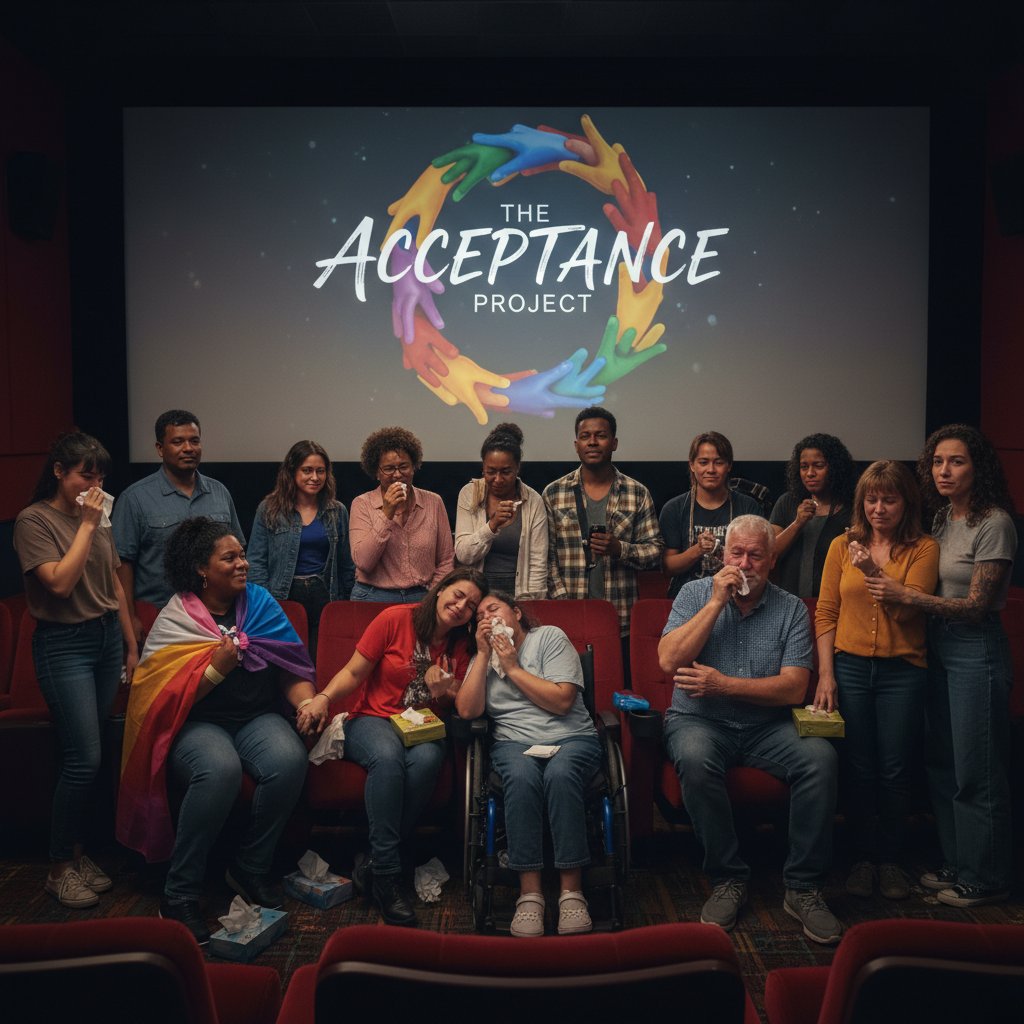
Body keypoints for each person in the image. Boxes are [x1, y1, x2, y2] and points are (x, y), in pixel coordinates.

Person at [117, 518, 319, 945]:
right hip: (196, 723)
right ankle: (180, 892)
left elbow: (289, 669)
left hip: (254, 717)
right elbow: (163, 701)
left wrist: (306, 702)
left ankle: (250, 866)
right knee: (220, 770)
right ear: (201, 570)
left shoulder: (261, 603)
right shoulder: (178, 617)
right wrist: (215, 669)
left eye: (242, 554)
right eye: (230, 558)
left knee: (288, 759)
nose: (243, 563)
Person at [658, 515, 842, 944]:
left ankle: (803, 887)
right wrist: (714, 603)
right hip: (699, 721)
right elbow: (668, 661)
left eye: (755, 555)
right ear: (723, 556)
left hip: (767, 728)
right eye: (736, 553)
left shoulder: (792, 608)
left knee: (821, 759)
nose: (744, 564)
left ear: (772, 560)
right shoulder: (693, 594)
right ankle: (728, 877)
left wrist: (722, 684)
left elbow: (794, 687)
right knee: (694, 756)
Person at [860, 425, 1017, 908]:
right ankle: (958, 863)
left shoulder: (996, 522)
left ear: (979, 467)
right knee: (942, 764)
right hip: (937, 648)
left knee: (978, 768)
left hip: (975, 647)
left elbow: (977, 605)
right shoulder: (945, 517)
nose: (945, 471)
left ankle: (986, 877)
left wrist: (909, 596)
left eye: (957, 461)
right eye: (937, 462)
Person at [303, 567, 488, 926]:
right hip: (372, 719)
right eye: (458, 594)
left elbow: (460, 706)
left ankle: (371, 861)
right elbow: (354, 672)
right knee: (388, 759)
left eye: (471, 606)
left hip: (423, 727)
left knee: (427, 761)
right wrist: (323, 697)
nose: (461, 606)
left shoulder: (462, 646)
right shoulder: (395, 619)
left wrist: (446, 690)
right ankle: (387, 876)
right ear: (440, 589)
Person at [13, 433, 139, 909]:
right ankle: (59, 866)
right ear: (59, 472)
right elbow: (61, 585)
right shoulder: (34, 521)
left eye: (101, 475)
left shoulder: (97, 516)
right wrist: (87, 524)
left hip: (106, 638)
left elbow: (111, 580)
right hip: (63, 644)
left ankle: (80, 853)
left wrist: (129, 643)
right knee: (81, 757)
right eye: (87, 474)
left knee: (98, 754)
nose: (96, 483)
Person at [813, 461, 938, 900]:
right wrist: (826, 674)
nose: (879, 508)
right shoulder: (840, 545)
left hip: (902, 670)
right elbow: (826, 612)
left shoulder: (923, 549)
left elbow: (907, 609)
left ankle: (890, 860)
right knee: (859, 766)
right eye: (871, 499)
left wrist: (870, 571)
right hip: (848, 667)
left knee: (895, 768)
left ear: (906, 503)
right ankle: (863, 860)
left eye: (889, 499)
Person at [457, 592, 602, 937]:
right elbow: (467, 710)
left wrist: (512, 668)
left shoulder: (549, 637)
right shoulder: (483, 658)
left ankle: (571, 891)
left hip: (570, 738)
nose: (487, 617)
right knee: (520, 778)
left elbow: (563, 700)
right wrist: (482, 655)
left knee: (561, 773)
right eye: (479, 616)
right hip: (515, 743)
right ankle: (530, 894)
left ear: (517, 613)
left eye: (494, 609)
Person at [112, 409, 244, 641]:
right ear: (160, 448)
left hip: (218, 619)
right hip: (159, 616)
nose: (188, 448)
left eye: (194, 441)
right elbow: (122, 563)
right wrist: (130, 617)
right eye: (177, 442)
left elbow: (238, 552)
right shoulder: (135, 498)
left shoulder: (219, 492)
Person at [543, 406, 663, 650]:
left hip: (620, 618)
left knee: (618, 686)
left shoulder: (636, 493)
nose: (593, 442)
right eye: (585, 436)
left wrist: (620, 549)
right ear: (576, 444)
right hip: (569, 618)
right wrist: (565, 605)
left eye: (601, 435)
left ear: (614, 443)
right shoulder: (554, 493)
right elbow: (547, 557)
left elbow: (655, 551)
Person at [247, 440, 355, 661]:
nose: (314, 477)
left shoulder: (337, 511)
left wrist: (348, 602)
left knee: (321, 660)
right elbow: (256, 561)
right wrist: (267, 602)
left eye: (320, 471)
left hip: (325, 596)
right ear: (292, 472)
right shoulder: (269, 509)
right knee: (285, 662)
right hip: (283, 597)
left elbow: (346, 564)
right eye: (307, 470)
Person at [349, 426, 455, 603]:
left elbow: (446, 559)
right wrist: (387, 513)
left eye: (403, 466)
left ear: (414, 467)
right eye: (389, 469)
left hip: (422, 596)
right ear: (376, 472)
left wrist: (432, 596)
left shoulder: (433, 502)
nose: (397, 474)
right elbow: (364, 563)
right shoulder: (362, 504)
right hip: (373, 596)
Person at [660, 432, 762, 600]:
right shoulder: (674, 508)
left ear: (729, 466)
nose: (711, 470)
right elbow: (668, 568)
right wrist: (697, 550)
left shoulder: (747, 507)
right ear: (692, 465)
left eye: (719, 462)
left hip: (736, 599)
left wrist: (718, 551)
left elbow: (757, 562)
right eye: (703, 462)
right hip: (686, 601)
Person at [454, 423, 547, 599]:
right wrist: (492, 526)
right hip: (476, 593)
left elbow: (537, 564)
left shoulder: (533, 501)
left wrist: (533, 605)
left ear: (518, 468)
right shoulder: (470, 494)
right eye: (491, 471)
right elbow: (464, 555)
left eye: (506, 472)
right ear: (483, 468)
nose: (498, 479)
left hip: (520, 593)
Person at [770, 433, 856, 598]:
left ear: (835, 467)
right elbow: (769, 554)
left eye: (818, 465)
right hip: (789, 603)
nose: (810, 473)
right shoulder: (787, 502)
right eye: (804, 466)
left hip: (836, 603)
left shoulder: (852, 508)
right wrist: (797, 523)